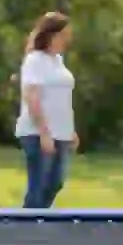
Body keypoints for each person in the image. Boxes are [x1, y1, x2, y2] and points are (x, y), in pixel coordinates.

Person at [15, 11, 79, 209]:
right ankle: (26, 228)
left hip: (61, 133)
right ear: (51, 35)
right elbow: (31, 97)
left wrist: (71, 131)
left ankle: (39, 221)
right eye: (63, 35)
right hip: (37, 132)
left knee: (55, 183)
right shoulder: (35, 60)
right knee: (39, 186)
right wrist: (44, 133)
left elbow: (61, 98)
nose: (66, 40)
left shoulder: (57, 60)